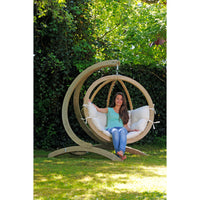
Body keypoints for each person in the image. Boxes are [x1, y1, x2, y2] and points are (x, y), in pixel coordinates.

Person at [89, 92, 138, 160]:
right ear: (114, 100)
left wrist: (132, 130)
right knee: (115, 131)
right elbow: (98, 109)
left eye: (121, 99)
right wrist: (90, 103)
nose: (119, 101)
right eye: (117, 99)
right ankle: (119, 153)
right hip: (111, 128)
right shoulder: (109, 110)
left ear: (123, 101)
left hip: (121, 128)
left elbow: (125, 126)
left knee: (123, 131)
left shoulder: (124, 112)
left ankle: (121, 152)